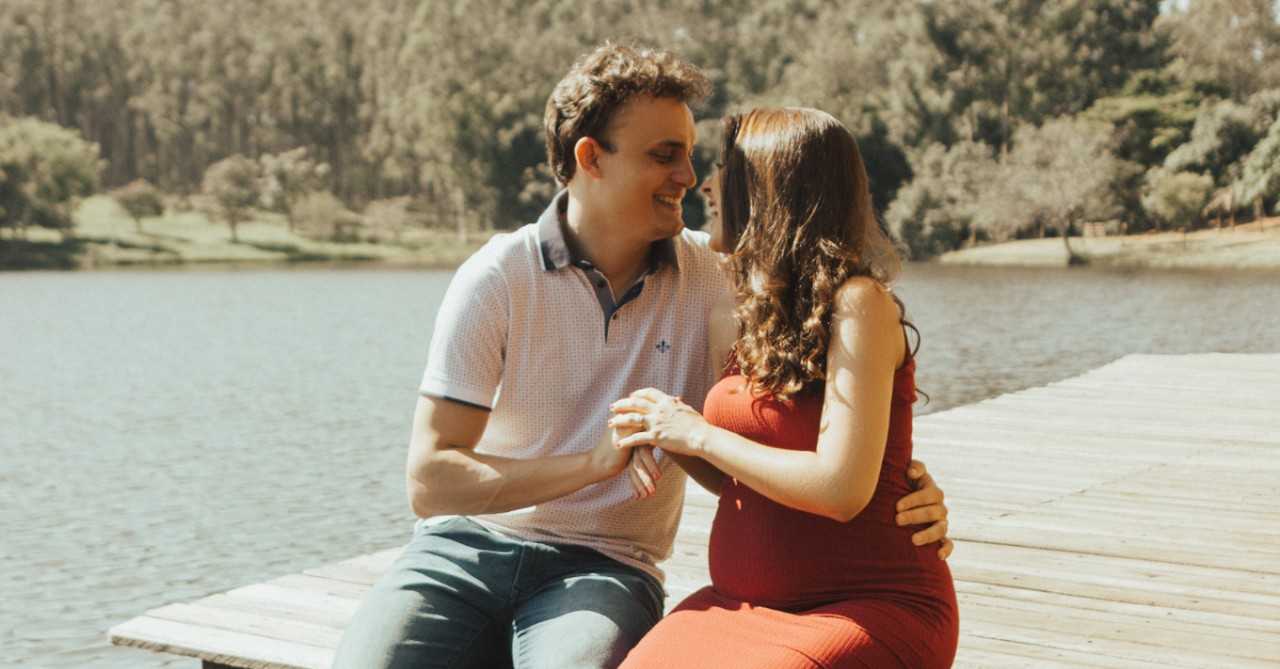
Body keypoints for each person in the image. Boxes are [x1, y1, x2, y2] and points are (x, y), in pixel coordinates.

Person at [331, 44, 951, 669]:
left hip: (607, 565)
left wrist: (906, 484)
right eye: (665, 155)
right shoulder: (496, 276)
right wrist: (595, 464)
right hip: (462, 551)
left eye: (691, 154)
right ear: (590, 158)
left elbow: (828, 402)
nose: (689, 177)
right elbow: (430, 481)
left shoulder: (721, 276)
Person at [610, 108, 959, 668]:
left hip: (866, 605)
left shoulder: (859, 305)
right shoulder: (732, 314)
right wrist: (666, 431)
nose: (706, 182)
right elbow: (739, 481)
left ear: (773, 188)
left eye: (725, 166)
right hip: (741, 608)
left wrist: (697, 434)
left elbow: (841, 490)